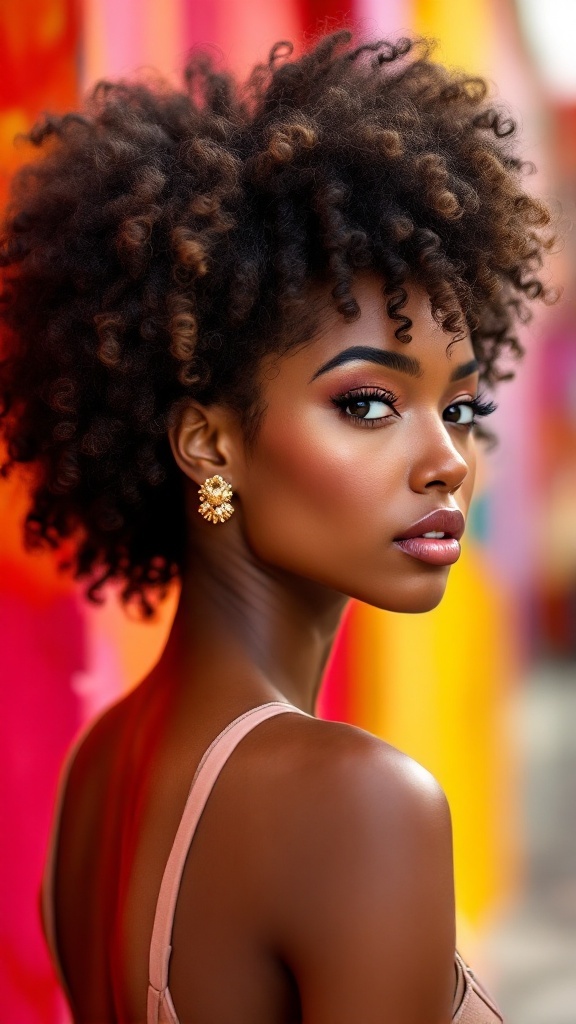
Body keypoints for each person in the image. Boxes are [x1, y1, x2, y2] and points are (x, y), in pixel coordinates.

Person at [0, 30, 553, 1024]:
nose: (448, 461)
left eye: (460, 407)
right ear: (210, 445)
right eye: (369, 405)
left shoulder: (102, 772)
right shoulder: (357, 802)